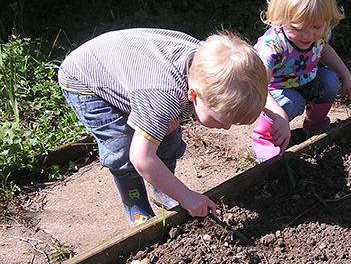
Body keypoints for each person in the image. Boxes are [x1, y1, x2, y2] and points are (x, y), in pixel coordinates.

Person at [58, 28, 268, 227]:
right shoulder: (165, 96)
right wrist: (186, 196)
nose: (227, 128)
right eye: (221, 120)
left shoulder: (204, 65)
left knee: (166, 134)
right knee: (121, 146)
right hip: (86, 79)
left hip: (137, 74)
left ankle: (162, 188)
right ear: (193, 95)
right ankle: (136, 206)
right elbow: (141, 158)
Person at [251, 0, 351, 162]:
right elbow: (259, 87)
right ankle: (264, 137)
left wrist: (346, 75)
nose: (308, 35)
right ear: (280, 16)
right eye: (298, 28)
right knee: (292, 102)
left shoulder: (321, 32)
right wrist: (279, 116)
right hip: (275, 92)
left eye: (317, 26)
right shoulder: (273, 45)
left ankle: (314, 126)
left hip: (306, 80)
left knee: (329, 81)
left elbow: (324, 49)